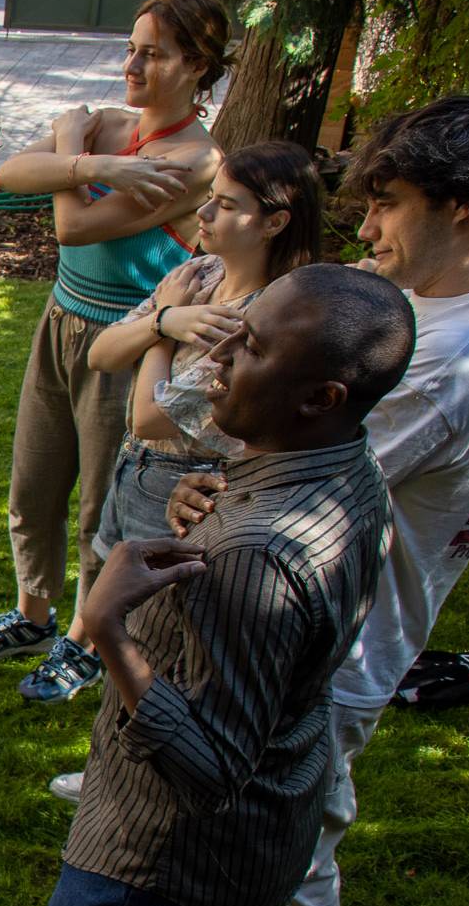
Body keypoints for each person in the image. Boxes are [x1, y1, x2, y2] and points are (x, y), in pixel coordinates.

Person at [172, 97, 469, 906]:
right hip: (323, 620)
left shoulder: (455, 358)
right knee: (261, 833)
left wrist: (208, 435)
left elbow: (278, 453)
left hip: (329, 646)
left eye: (386, 203)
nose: (368, 227)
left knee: (290, 858)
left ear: (458, 209)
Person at [5, 264, 416, 906]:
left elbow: (212, 767)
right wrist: (217, 491)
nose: (221, 355)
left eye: (252, 347)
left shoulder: (257, 556)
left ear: (320, 397)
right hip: (247, 857)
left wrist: (109, 629)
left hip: (158, 873)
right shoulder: (350, 472)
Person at [0, 0, 229, 702]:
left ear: (197, 65)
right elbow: (9, 175)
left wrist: (69, 146)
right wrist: (83, 161)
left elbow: (75, 230)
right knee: (33, 483)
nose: (132, 64)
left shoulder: (197, 161)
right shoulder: (109, 127)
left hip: (127, 339)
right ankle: (32, 614)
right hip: (60, 320)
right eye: (131, 48)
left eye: (153, 53)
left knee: (97, 507)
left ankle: (83, 638)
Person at [46, 140, 323, 802]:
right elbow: (103, 354)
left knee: (162, 642)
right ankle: (114, 767)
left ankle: (147, 775)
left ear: (276, 221)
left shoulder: (266, 318)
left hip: (191, 491)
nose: (205, 213)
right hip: (138, 475)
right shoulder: (197, 277)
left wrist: (161, 332)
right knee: (123, 631)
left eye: (226, 206)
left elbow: (148, 414)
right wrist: (167, 318)